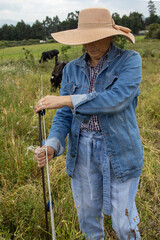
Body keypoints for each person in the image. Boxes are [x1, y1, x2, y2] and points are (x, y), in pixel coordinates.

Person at [34, 7, 144, 240]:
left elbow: (115, 100)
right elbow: (64, 115)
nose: (89, 45)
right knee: (87, 218)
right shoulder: (72, 69)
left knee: (124, 223)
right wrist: (52, 144)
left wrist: (66, 99)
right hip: (82, 149)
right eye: (85, 40)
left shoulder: (129, 61)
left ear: (110, 36)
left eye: (96, 38)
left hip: (120, 148)